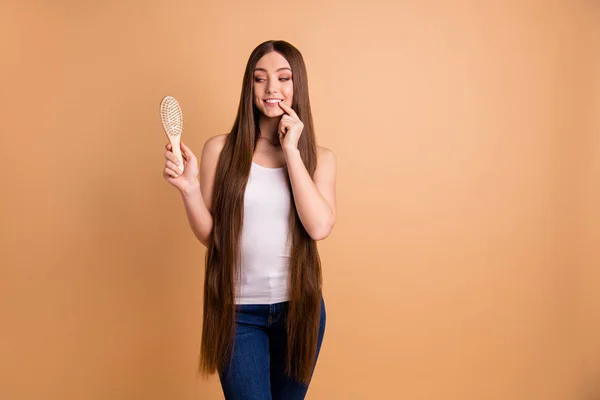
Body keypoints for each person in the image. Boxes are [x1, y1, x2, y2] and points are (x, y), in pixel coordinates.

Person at [162, 40, 337, 400]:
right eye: (260, 79)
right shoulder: (220, 150)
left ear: (296, 85)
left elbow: (318, 226)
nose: (272, 89)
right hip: (237, 314)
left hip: (300, 313)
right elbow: (213, 236)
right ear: (249, 87)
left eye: (283, 78)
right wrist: (189, 189)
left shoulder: (319, 158)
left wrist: (291, 152)